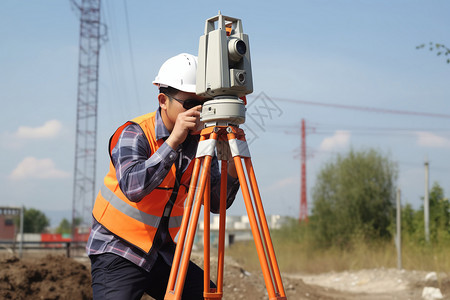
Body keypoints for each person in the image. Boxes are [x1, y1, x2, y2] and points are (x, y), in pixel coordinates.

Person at [86, 53, 240, 300]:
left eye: (204, 104)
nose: (198, 112)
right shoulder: (134, 133)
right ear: (163, 100)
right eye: (190, 105)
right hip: (119, 249)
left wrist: (232, 162)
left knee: (205, 294)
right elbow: (133, 188)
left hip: (163, 252)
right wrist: (173, 142)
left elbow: (216, 202)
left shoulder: (200, 142)